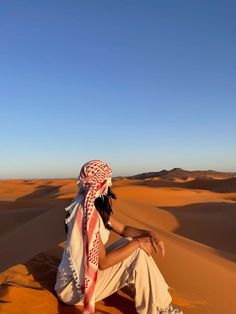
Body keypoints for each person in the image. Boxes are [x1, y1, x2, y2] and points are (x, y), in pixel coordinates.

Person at [54, 160, 183, 314]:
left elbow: (123, 229)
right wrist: (138, 243)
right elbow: (103, 263)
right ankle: (159, 310)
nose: (109, 184)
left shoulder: (92, 204)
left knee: (129, 243)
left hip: (78, 278)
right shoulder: (87, 214)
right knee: (136, 250)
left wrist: (149, 234)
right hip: (73, 289)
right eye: (108, 179)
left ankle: (160, 303)